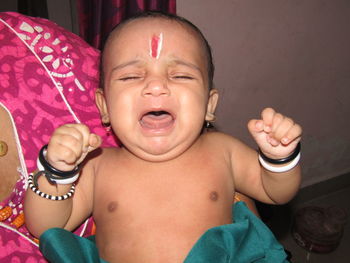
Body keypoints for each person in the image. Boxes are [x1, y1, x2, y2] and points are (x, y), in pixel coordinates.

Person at [24, 11, 302, 263]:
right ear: (105, 107)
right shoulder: (98, 165)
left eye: (180, 75)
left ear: (209, 106)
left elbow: (275, 192)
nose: (156, 86)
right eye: (131, 76)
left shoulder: (222, 150)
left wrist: (279, 158)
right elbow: (47, 226)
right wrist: (57, 172)